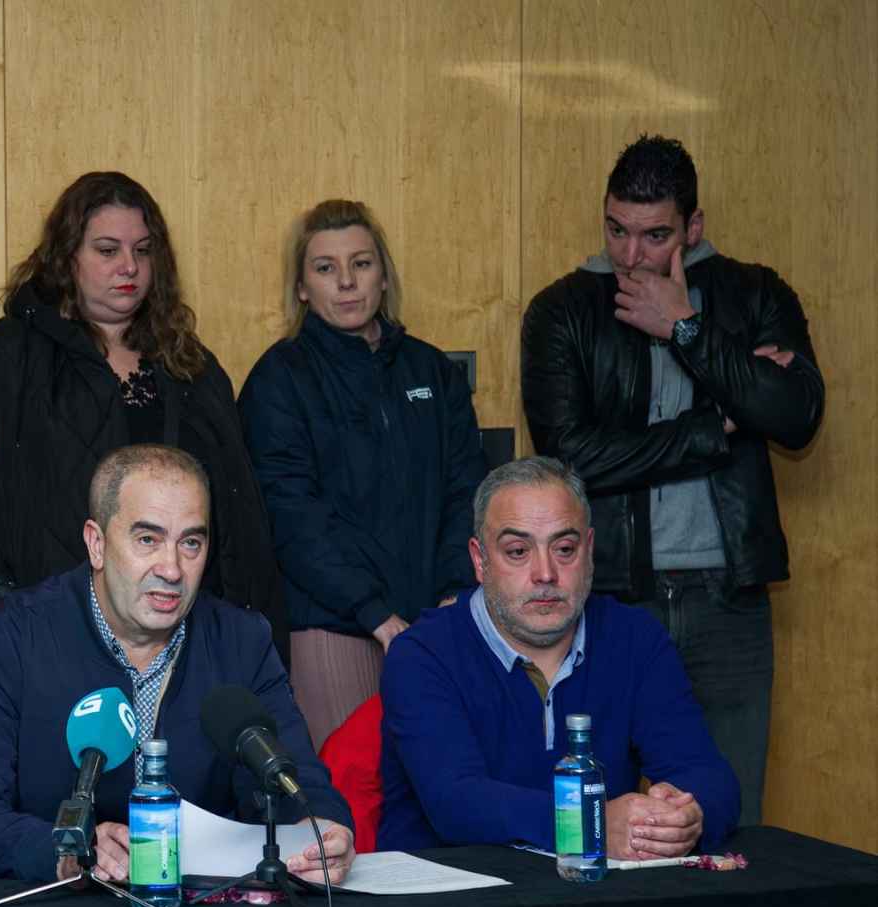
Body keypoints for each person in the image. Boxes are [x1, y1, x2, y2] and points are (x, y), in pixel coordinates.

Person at [520, 135, 824, 825]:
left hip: (729, 600)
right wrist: (713, 426)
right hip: (613, 599)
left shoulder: (753, 295)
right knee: (601, 815)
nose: (632, 256)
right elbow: (570, 460)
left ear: (693, 227)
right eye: (617, 230)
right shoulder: (564, 309)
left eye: (655, 235)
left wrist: (684, 329)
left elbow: (795, 416)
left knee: (729, 814)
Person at [0, 444, 354, 884]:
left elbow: (297, 780)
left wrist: (323, 831)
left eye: (191, 542)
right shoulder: (1, 641)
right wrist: (65, 850)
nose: (171, 568)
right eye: (147, 539)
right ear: (96, 543)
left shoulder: (241, 642)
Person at [0, 172, 281, 655]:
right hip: (43, 647)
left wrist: (242, 636)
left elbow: (238, 521)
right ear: (67, 259)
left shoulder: (194, 368)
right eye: (107, 251)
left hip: (184, 649)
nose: (129, 266)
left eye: (143, 251)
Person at [379, 457, 739, 857]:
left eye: (564, 549)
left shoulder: (636, 638)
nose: (545, 573)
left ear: (589, 551)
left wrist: (688, 817)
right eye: (518, 551)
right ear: (480, 561)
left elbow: (707, 775)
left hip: (593, 901)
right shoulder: (422, 653)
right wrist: (590, 826)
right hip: (449, 903)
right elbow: (456, 804)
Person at [240, 199, 486, 748]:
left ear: (383, 274)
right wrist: (375, 613)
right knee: (350, 799)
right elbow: (292, 516)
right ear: (302, 286)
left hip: (435, 620)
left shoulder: (432, 371)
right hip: (336, 626)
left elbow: (467, 490)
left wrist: (454, 593)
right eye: (326, 268)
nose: (347, 282)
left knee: (436, 791)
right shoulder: (279, 379)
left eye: (362, 263)